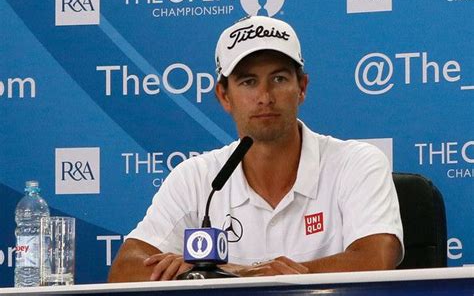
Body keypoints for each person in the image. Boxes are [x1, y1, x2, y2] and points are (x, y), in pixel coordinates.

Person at [108, 16, 403, 282]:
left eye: (278, 79)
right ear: (224, 95)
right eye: (248, 81)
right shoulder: (196, 179)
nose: (264, 97)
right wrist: (242, 273)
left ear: (302, 87)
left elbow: (376, 258)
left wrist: (253, 277)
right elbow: (125, 270)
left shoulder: (356, 162)